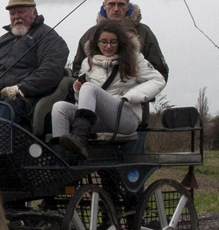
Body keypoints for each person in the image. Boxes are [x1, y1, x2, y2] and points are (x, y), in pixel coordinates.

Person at [52, 20, 166, 159]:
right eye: (103, 42)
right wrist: (78, 90)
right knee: (59, 108)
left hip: (125, 117)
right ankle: (61, 159)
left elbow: (158, 80)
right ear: (96, 42)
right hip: (97, 119)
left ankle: (79, 138)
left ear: (120, 42)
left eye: (113, 42)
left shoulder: (134, 59)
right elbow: (84, 102)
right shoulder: (87, 62)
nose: (108, 46)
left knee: (89, 88)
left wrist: (132, 95)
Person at [0, 0, 69, 125]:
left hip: (26, 99)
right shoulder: (3, 40)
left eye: (21, 12)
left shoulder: (48, 37)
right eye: (12, 13)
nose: (16, 17)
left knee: (8, 107)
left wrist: (20, 88)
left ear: (34, 13)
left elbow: (51, 71)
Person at [72, 0, 169, 81]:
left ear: (128, 7)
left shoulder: (144, 32)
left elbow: (159, 72)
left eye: (121, 4)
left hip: (134, 94)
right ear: (104, 5)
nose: (116, 9)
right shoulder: (91, 35)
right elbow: (78, 70)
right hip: (98, 93)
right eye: (111, 4)